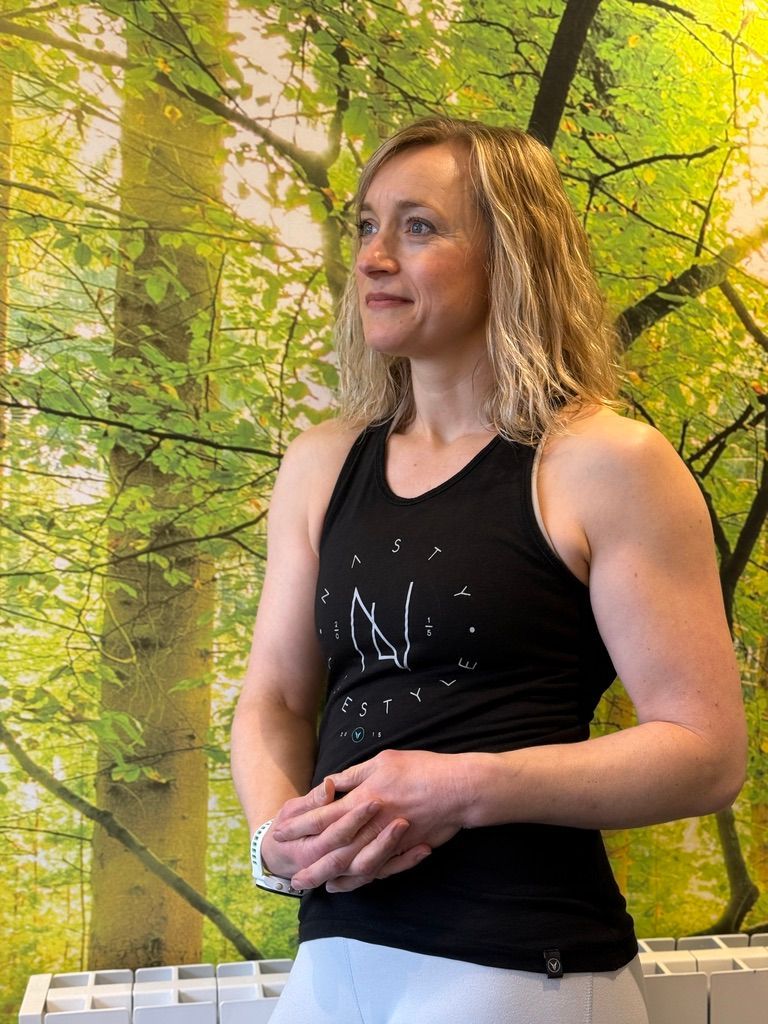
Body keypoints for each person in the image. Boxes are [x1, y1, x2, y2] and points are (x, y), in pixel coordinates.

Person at [230, 116, 747, 1024]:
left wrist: (462, 787)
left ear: (512, 255)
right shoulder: (323, 462)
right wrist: (277, 838)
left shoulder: (603, 462)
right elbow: (273, 697)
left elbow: (704, 755)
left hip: (522, 965)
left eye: (418, 226)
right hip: (333, 958)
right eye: (365, 226)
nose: (374, 256)